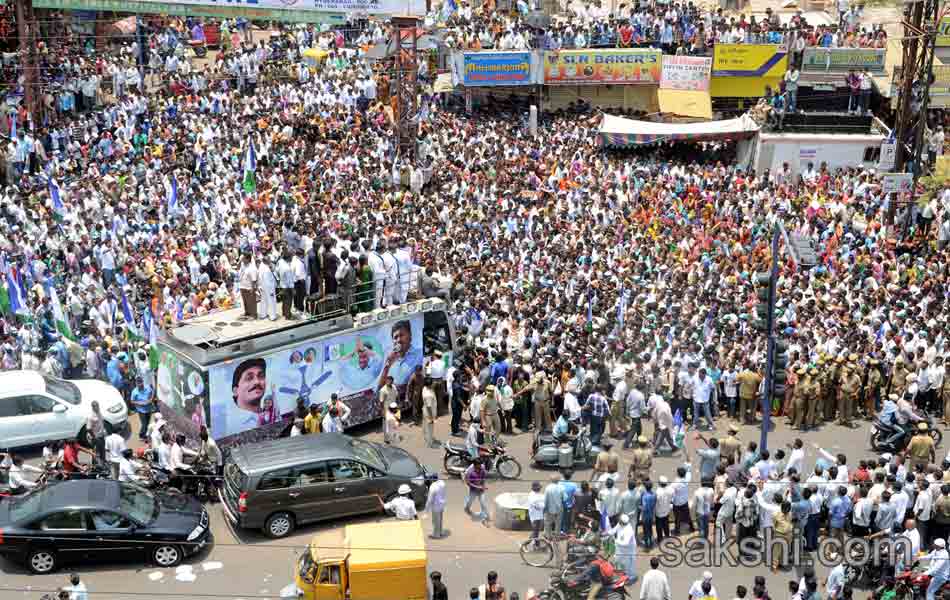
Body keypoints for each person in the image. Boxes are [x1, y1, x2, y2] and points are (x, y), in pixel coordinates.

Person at [464, 459, 490, 524]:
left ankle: (487, 517)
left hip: (481, 490)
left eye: (480, 465)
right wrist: (477, 487)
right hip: (473, 490)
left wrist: (483, 486)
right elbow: (468, 483)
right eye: (479, 465)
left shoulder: (482, 470)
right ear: (475, 465)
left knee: (483, 503)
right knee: (470, 501)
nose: (480, 466)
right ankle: (467, 508)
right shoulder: (470, 472)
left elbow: (483, 479)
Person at [130, 377, 155, 442]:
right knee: (144, 424)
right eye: (138, 383)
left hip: (148, 409)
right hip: (141, 411)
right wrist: (140, 403)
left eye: (140, 383)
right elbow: (132, 401)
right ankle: (141, 435)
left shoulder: (148, 388)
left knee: (147, 423)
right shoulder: (134, 392)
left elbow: (152, 393)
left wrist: (151, 399)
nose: (139, 385)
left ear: (142, 382)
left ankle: (145, 434)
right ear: (136, 383)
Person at [426, 473, 447, 538]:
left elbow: (430, 500)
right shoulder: (442, 483)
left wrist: (427, 509)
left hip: (436, 505)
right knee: (440, 519)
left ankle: (436, 534)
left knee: (435, 521)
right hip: (442, 504)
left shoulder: (432, 487)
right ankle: (440, 532)